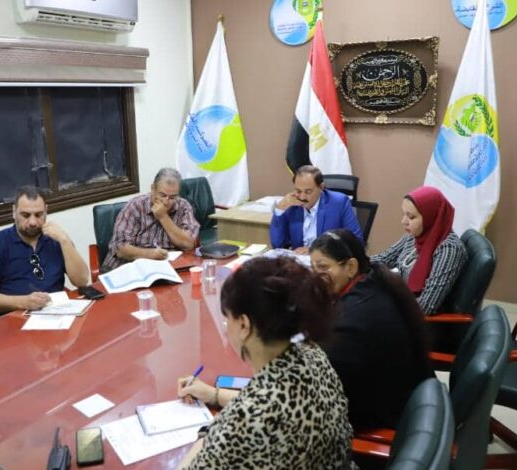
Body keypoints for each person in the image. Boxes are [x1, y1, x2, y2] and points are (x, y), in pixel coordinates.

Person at [176, 257, 355, 470]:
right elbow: (276, 403)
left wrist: (206, 436)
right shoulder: (311, 353)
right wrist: (214, 394)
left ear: (244, 325)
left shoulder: (247, 419)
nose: (226, 326)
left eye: (227, 318)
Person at [310, 229, 433, 432]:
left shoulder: (354, 318)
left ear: (351, 267)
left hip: (385, 416)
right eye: (312, 268)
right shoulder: (375, 280)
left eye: (323, 267)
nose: (316, 276)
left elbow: (326, 385)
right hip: (404, 395)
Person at [0, 185, 89, 321]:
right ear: (14, 212)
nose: (33, 222)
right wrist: (24, 302)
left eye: (38, 215)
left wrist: (64, 240)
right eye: (25, 215)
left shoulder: (56, 239)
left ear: (46, 211)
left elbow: (81, 281)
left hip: (56, 314)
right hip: (12, 319)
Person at [372, 186, 468, 314]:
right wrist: (355, 260)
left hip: (417, 320)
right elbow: (383, 259)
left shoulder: (448, 249)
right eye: (404, 214)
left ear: (431, 217)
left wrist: (383, 306)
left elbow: (426, 305)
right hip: (400, 300)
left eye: (411, 217)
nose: (404, 222)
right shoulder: (415, 236)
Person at [102, 168, 200, 271]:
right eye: (162, 195)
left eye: (172, 197)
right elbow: (119, 248)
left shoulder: (183, 206)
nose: (166, 202)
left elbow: (188, 245)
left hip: (165, 268)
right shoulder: (135, 206)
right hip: (126, 267)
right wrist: (150, 254)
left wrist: (163, 217)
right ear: (153, 188)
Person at [270, 165, 363, 254]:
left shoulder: (339, 203)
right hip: (299, 261)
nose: (302, 197)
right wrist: (280, 208)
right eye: (298, 191)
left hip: (327, 261)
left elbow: (356, 242)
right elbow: (277, 245)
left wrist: (315, 251)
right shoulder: (292, 204)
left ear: (321, 187)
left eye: (308, 191)